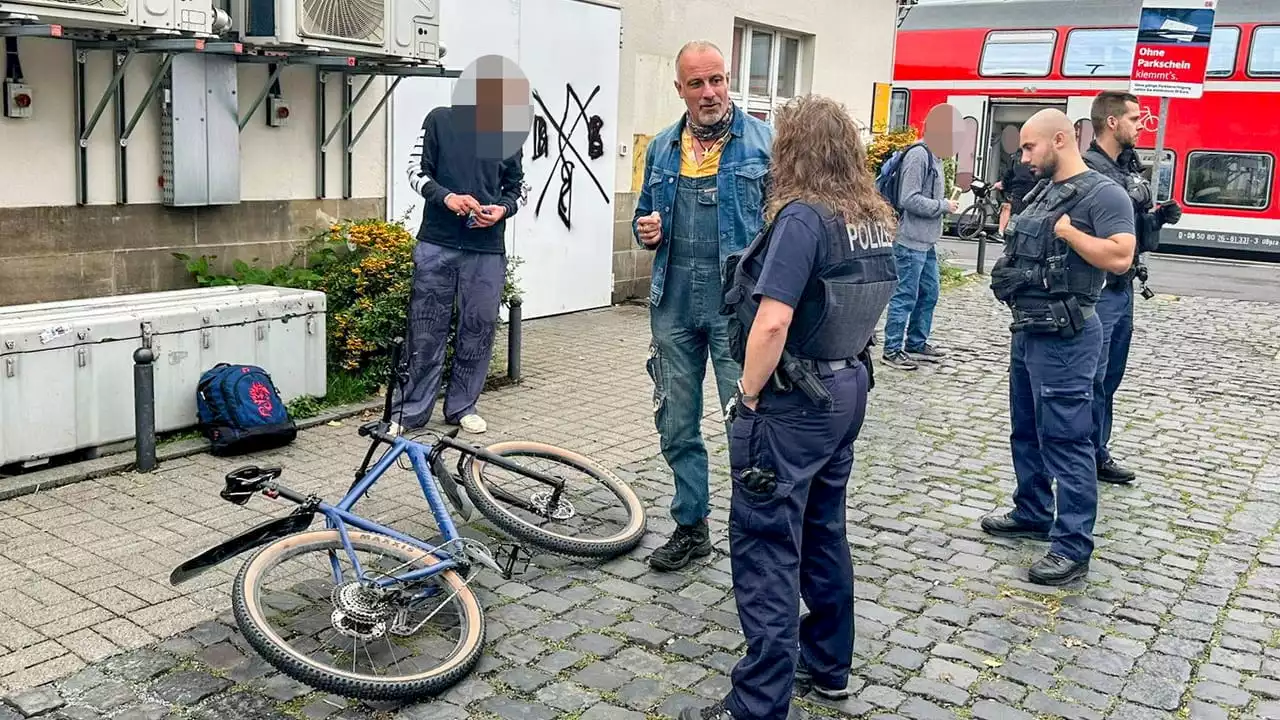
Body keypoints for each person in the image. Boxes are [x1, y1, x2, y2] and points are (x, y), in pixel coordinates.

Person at [681, 94, 898, 720]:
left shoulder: (805, 216)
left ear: (793, 149)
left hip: (795, 401)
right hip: (847, 385)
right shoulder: (871, 215)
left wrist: (746, 394)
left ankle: (757, 703)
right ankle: (829, 664)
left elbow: (772, 321)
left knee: (766, 542)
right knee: (823, 528)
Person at [633, 40, 774, 572]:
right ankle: (691, 527)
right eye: (697, 83)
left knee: (746, 420)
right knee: (675, 422)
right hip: (672, 301)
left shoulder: (765, 143)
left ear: (728, 78)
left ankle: (756, 533)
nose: (709, 92)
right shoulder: (663, 148)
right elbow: (645, 215)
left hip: (736, 306)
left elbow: (787, 226)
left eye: (717, 80)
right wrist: (645, 230)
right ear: (680, 89)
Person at [982, 109, 1136, 586]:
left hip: (1068, 336)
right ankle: (1032, 509)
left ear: (1062, 139)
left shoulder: (1105, 193)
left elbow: (1121, 255)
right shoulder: (1045, 190)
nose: (1024, 157)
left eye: (1030, 147)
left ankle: (1072, 545)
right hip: (1029, 328)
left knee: (1068, 441)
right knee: (1025, 429)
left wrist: (1071, 234)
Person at [392, 94, 526, 434]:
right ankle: (408, 412)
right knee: (424, 330)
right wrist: (447, 197)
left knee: (478, 329)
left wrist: (503, 209)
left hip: (487, 248)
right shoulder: (439, 119)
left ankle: (463, 406)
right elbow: (414, 171)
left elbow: (518, 187)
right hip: (437, 243)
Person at [1082, 91, 1182, 485]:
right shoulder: (1090, 169)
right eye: (1136, 119)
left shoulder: (1128, 165)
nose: (1143, 125)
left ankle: (1097, 450)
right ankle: (1082, 455)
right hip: (1100, 290)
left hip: (1123, 287)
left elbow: (1133, 233)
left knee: (1110, 378)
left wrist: (1156, 219)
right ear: (1112, 122)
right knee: (1093, 375)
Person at [881, 104, 959, 371]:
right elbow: (908, 198)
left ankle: (916, 342)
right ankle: (892, 349)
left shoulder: (935, 157)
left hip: (926, 242)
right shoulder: (919, 156)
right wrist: (943, 206)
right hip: (909, 240)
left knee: (929, 293)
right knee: (905, 295)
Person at [996, 149, 1037, 236]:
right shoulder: (1035, 157)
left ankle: (1005, 233)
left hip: (1018, 189)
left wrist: (1006, 187)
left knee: (1013, 210)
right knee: (1023, 211)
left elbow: (1009, 173)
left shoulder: (1016, 158)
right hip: (1031, 188)